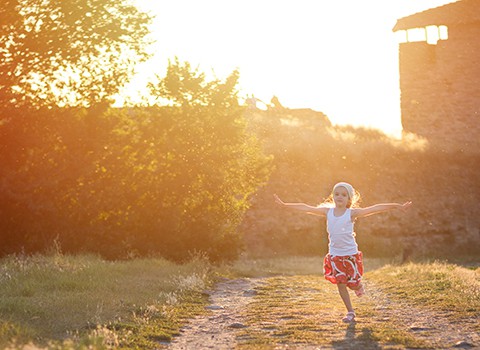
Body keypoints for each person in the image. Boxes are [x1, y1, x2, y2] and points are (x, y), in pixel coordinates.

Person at [274, 182, 412, 323]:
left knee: (352, 284)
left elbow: (375, 208)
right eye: (337, 194)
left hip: (351, 255)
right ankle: (350, 312)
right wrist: (285, 205)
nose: (339, 197)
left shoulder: (352, 213)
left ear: (349, 199)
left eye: (344, 195)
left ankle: (358, 286)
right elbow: (305, 207)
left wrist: (397, 206)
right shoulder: (327, 211)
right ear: (333, 196)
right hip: (335, 255)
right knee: (341, 283)